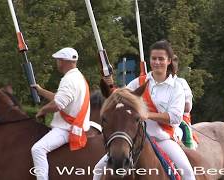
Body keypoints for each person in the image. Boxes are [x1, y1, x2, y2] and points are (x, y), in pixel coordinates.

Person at [94, 40, 195, 180]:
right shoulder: (140, 81)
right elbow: (121, 96)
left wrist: (147, 114)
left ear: (169, 61)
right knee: (98, 169)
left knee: (187, 172)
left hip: (163, 138)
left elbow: (176, 117)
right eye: (154, 58)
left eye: (161, 59)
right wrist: (110, 85)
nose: (157, 62)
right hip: (137, 137)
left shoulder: (176, 87)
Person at [31, 47, 91, 180]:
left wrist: (42, 110)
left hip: (66, 128)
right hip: (75, 125)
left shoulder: (68, 80)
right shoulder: (77, 76)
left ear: (63, 61)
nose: (57, 63)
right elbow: (59, 98)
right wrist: (41, 90)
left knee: (37, 149)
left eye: (58, 60)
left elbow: (58, 104)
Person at [172, 55, 199, 150]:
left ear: (175, 70)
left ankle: (190, 154)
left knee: (185, 130)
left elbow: (188, 107)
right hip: (159, 118)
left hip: (181, 120)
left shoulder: (181, 83)